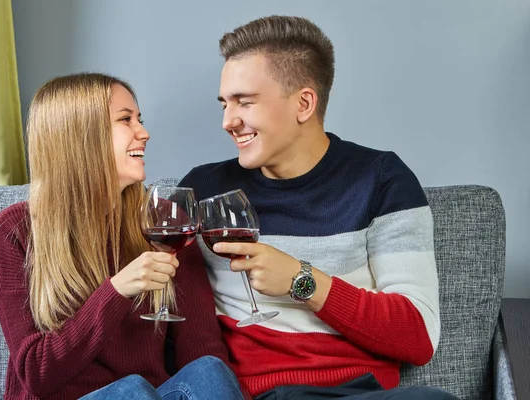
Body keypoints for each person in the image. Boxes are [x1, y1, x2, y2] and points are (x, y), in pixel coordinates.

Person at [179, 16, 458, 400]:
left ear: (304, 103)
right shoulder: (204, 190)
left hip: (355, 396)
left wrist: (301, 280)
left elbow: (417, 337)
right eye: (225, 103)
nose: (229, 121)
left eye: (245, 102)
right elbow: (184, 328)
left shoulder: (381, 180)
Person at [0, 73, 246, 400]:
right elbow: (37, 374)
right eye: (126, 120)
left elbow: (200, 347)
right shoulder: (15, 231)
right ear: (80, 136)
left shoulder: (165, 222)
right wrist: (117, 290)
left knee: (208, 369)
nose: (144, 133)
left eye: (139, 119)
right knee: (132, 390)